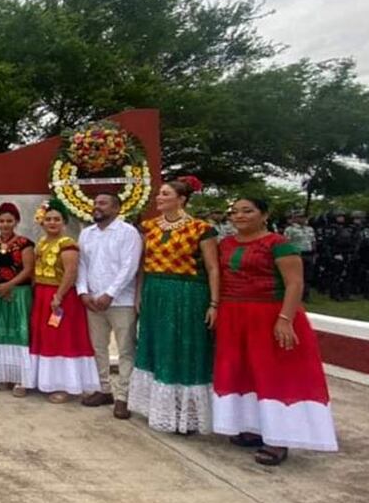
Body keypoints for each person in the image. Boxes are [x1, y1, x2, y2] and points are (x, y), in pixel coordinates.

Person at [213, 197, 338, 465]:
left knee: (275, 374)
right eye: (234, 212)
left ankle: (279, 438)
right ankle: (252, 427)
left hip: (269, 314)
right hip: (233, 315)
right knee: (243, 371)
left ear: (264, 215)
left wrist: (285, 319)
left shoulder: (278, 244)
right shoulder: (225, 244)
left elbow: (295, 284)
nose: (239, 216)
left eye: (248, 211)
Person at [128, 179, 220, 434]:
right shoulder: (149, 227)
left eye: (166, 194)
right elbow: (143, 265)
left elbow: (213, 267)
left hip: (187, 294)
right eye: (159, 193)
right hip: (155, 292)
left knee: (185, 348)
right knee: (157, 346)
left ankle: (186, 414)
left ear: (181, 199)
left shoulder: (201, 229)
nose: (159, 197)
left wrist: (214, 303)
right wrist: (139, 294)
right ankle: (159, 409)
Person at [76, 192, 142, 418]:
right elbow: (82, 265)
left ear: (116, 208)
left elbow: (129, 267)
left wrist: (110, 294)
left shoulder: (128, 232)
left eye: (103, 203)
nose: (97, 206)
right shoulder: (87, 233)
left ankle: (123, 397)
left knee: (126, 349)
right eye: (95, 203)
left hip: (121, 301)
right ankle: (104, 389)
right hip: (93, 301)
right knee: (98, 347)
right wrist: (83, 292)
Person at [27, 199, 100, 403]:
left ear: (64, 223)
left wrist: (58, 296)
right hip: (42, 295)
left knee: (61, 340)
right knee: (44, 337)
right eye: (49, 219)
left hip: (61, 297)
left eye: (57, 219)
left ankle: (65, 385)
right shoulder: (41, 243)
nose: (52, 223)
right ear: (43, 222)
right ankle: (44, 381)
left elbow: (71, 272)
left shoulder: (68, 244)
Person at [0, 202, 35, 396]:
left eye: (9, 221)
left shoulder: (25, 243)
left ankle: (21, 379)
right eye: (2, 221)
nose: (5, 224)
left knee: (18, 333)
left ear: (16, 222)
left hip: (18, 294)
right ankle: (2, 375)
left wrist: (8, 286)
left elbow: (28, 269)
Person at [283, 210, 315, 302]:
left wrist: (314, 252)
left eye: (304, 217)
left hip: (308, 254)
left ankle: (306, 295)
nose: (303, 219)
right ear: (295, 218)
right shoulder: (290, 229)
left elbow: (313, 241)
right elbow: (286, 242)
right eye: (300, 217)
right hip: (296, 254)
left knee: (307, 276)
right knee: (296, 276)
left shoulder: (309, 229)